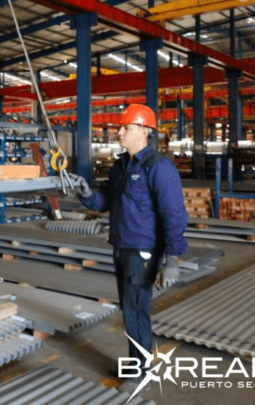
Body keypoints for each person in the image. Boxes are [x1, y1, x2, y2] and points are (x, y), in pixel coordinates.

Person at [69, 104, 188, 390]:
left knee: (136, 310)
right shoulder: (120, 166)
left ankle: (141, 371)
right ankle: (137, 364)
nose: (119, 132)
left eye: (126, 127)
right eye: (119, 127)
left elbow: (174, 214)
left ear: (145, 131)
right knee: (129, 309)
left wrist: (172, 258)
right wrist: (87, 194)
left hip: (142, 250)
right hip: (121, 247)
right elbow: (105, 202)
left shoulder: (159, 167)